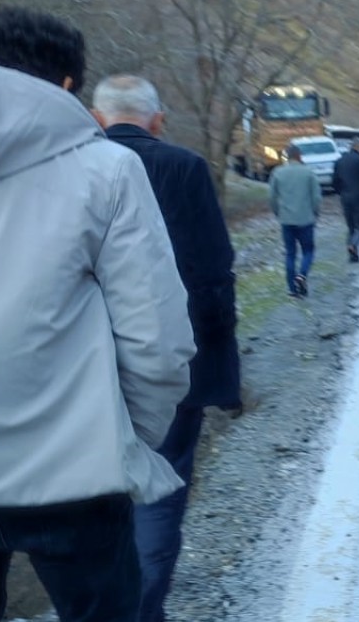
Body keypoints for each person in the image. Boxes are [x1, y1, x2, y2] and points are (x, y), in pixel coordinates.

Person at [0, 7, 194, 621]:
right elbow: (157, 337)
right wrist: (129, 440)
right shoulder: (109, 171)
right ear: (70, 86)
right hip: (75, 472)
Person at [91, 75, 242, 622]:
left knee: (90, 502)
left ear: (96, 116)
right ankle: (142, 610)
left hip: (82, 367)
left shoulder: (66, 165)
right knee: (159, 495)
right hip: (174, 365)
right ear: (156, 119)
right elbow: (211, 269)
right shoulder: (184, 167)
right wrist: (221, 361)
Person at [270, 145, 321, 296]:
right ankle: (302, 275)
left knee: (290, 253)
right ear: (299, 156)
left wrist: (278, 212)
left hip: (286, 220)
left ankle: (292, 288)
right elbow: (316, 197)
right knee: (308, 251)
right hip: (305, 219)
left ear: (287, 156)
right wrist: (315, 213)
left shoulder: (278, 173)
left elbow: (272, 197)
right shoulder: (308, 172)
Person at [333, 138, 359, 263]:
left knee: (351, 227)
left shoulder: (339, 161)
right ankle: (353, 244)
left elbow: (334, 181)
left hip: (345, 197)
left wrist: (340, 192)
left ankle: (353, 256)